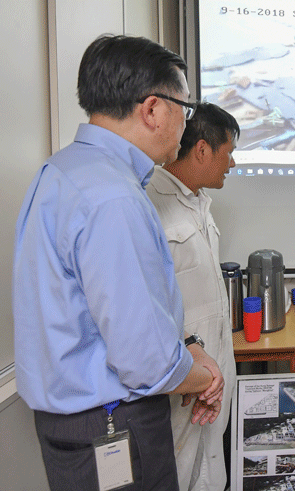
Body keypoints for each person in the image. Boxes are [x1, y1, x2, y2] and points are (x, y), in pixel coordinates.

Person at [13, 34, 224, 490]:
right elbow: (147, 361)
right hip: (111, 427)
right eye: (184, 111)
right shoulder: (114, 198)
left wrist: (187, 341)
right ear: (152, 109)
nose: (187, 125)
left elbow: (100, 310)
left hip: (72, 424)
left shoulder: (62, 171)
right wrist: (205, 377)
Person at [146, 102, 239, 491]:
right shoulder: (149, 200)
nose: (231, 164)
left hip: (215, 366)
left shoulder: (199, 202)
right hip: (183, 375)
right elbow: (149, 304)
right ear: (202, 149)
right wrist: (191, 365)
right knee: (180, 470)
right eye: (228, 152)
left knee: (211, 464)